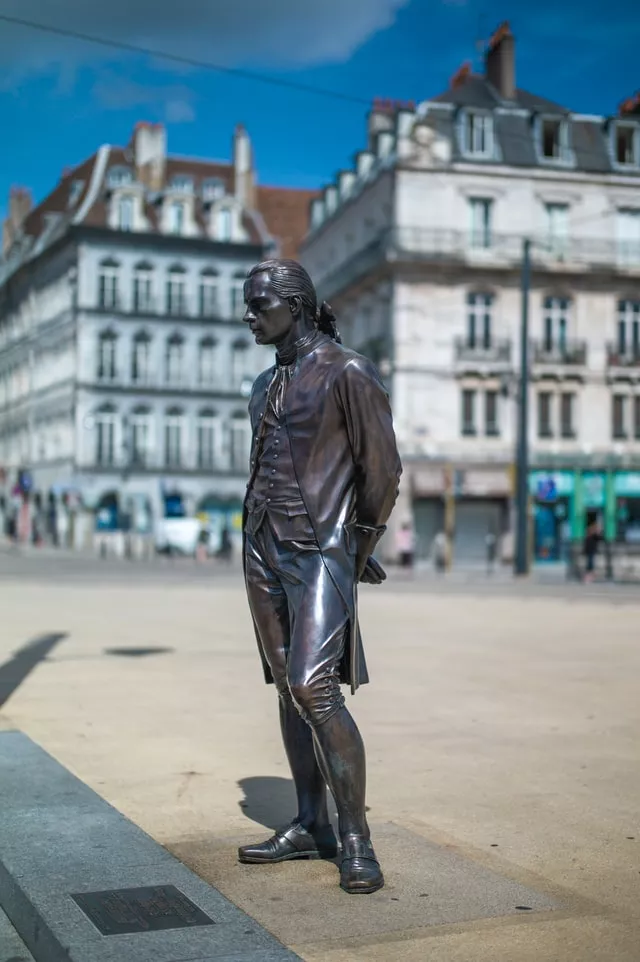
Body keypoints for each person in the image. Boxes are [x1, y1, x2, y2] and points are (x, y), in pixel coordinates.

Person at [239, 258, 402, 895]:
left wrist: (357, 546)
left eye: (259, 305)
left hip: (321, 549)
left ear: (297, 304)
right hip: (260, 546)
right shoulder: (262, 385)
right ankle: (311, 823)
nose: (248, 317)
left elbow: (382, 471)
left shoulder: (349, 372)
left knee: (315, 687)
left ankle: (355, 836)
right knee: (286, 685)